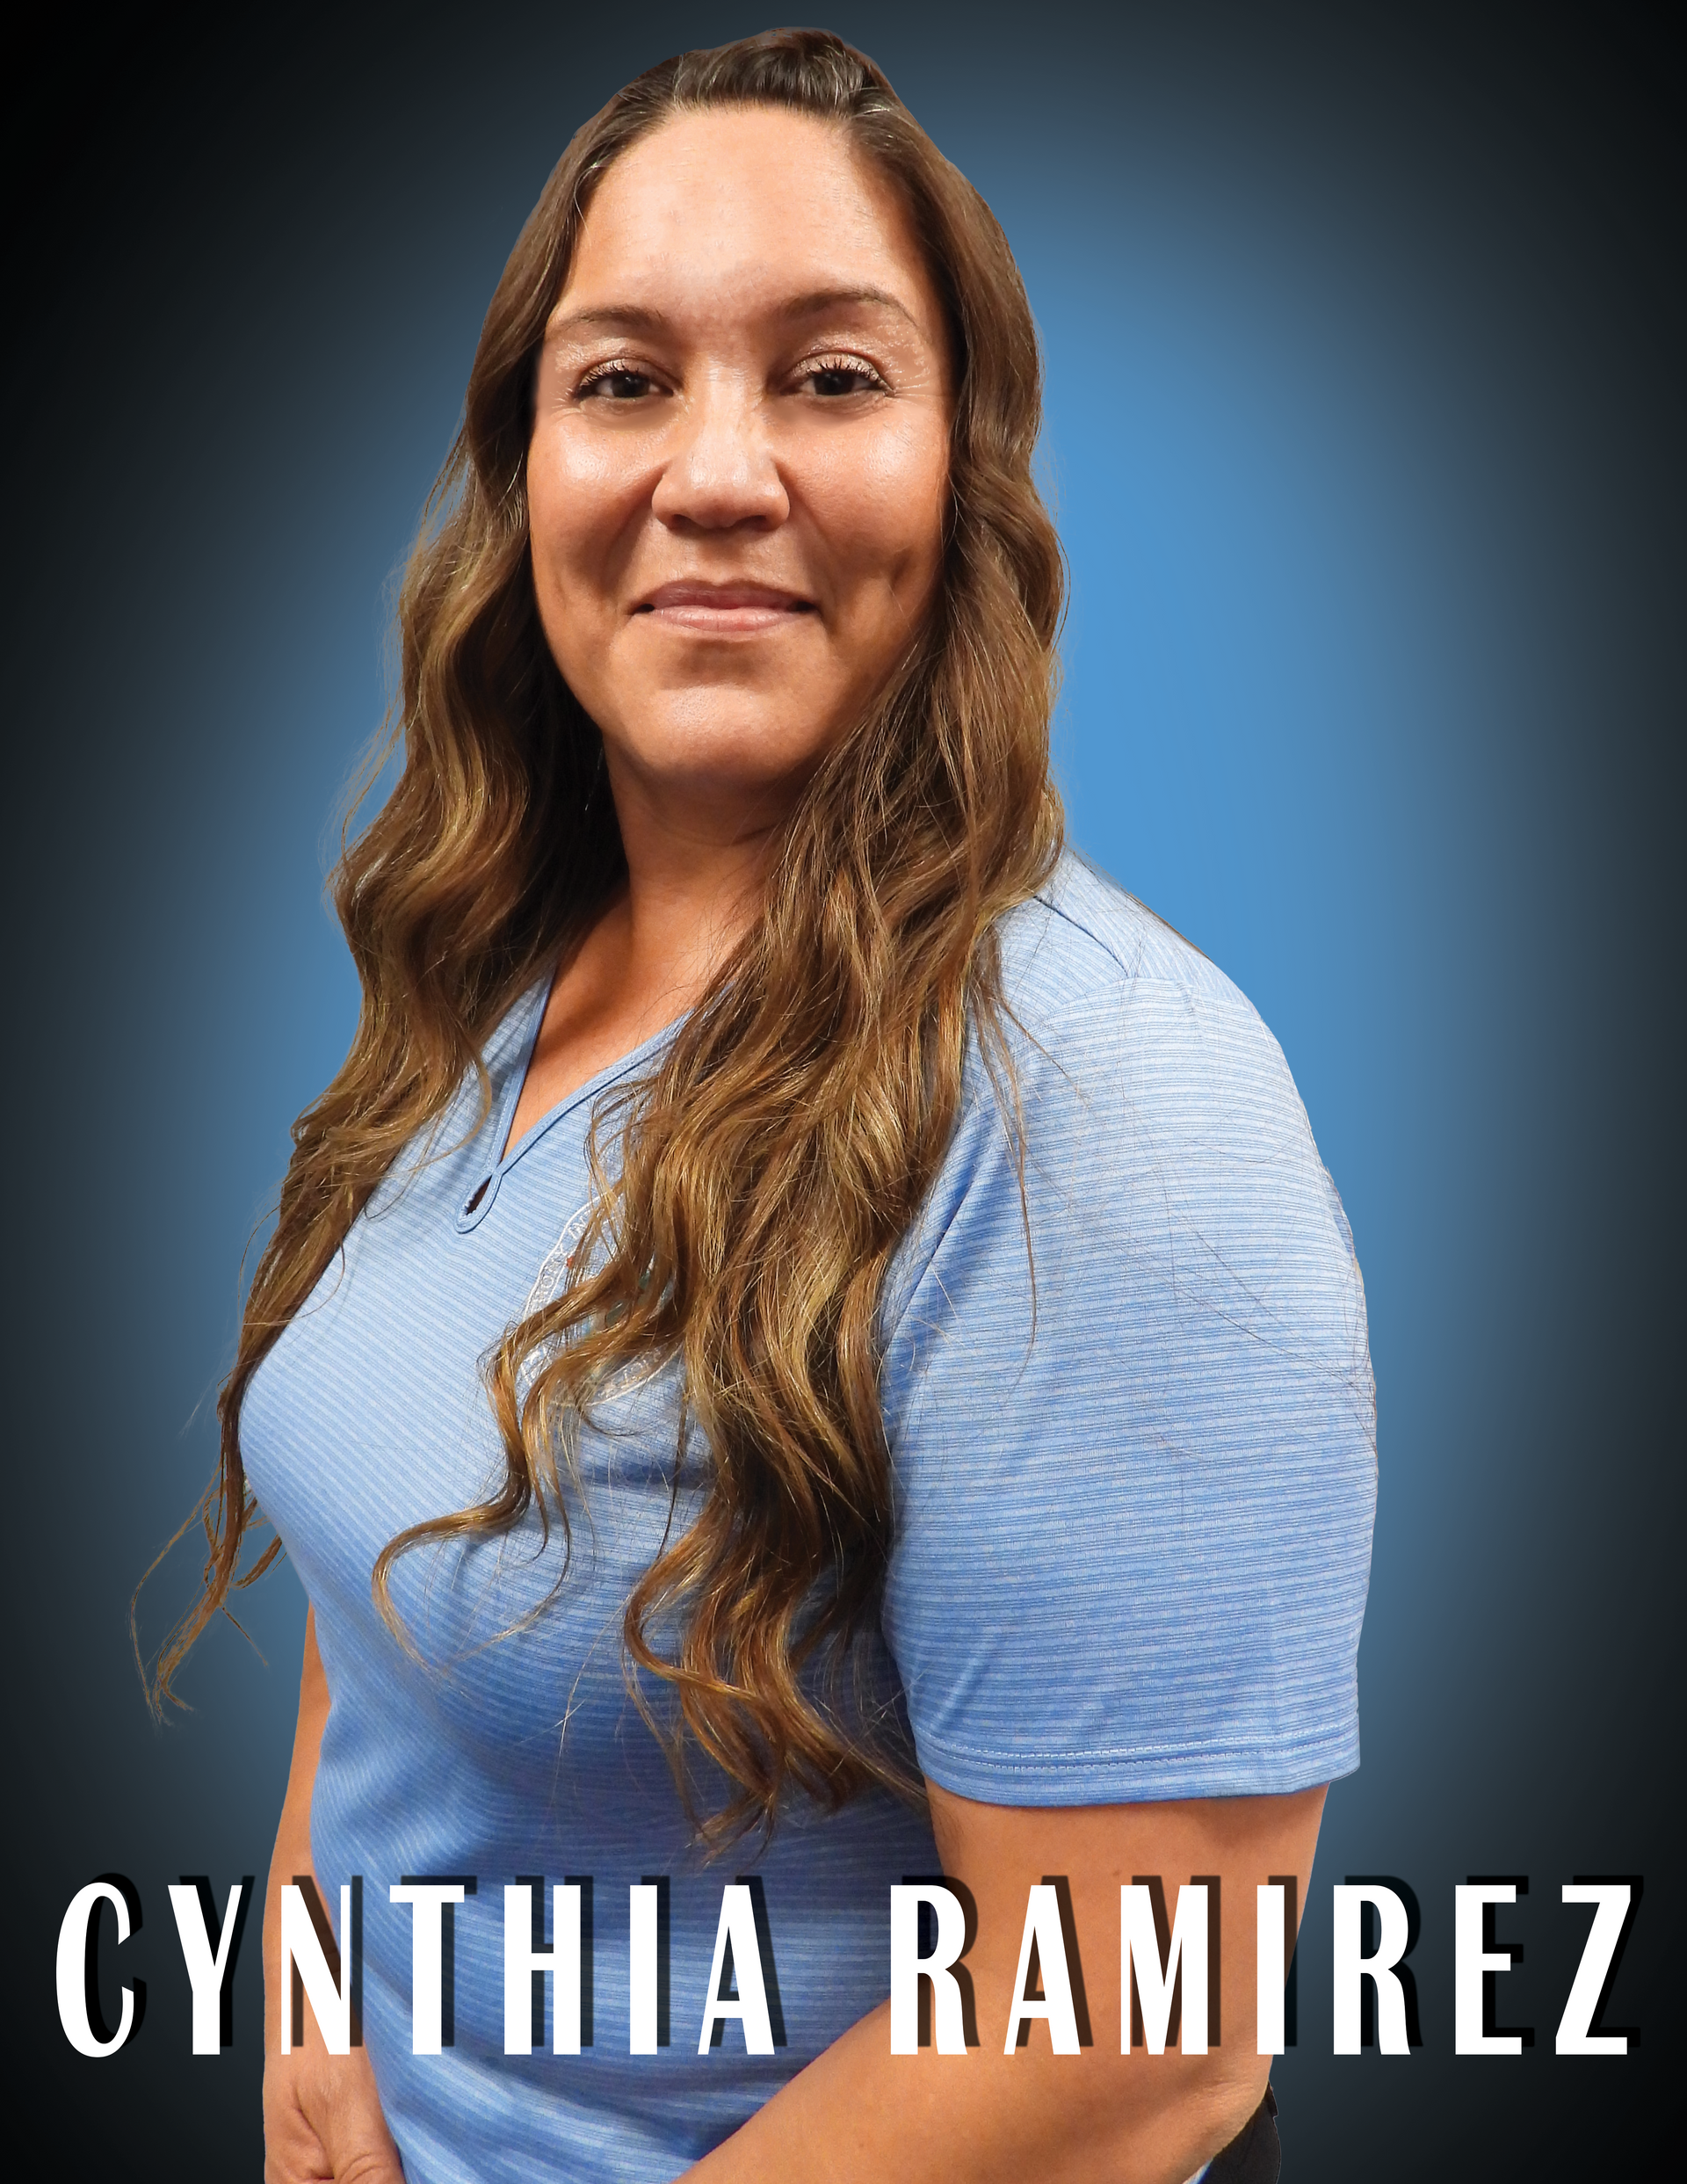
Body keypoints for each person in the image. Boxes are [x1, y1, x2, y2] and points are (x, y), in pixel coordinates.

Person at [155, 29, 1375, 2184]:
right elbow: (398, 1574)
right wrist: (321, 2014)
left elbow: (1139, 2045)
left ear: (965, 473)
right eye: (625, 379)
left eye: (830, 377)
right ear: (526, 468)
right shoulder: (494, 976)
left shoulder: (1103, 1101)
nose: (717, 472)